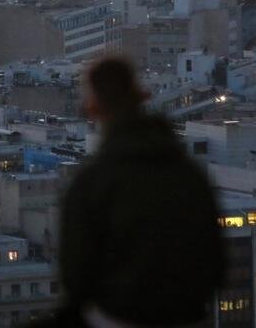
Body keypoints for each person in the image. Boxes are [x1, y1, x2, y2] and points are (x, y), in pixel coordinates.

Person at [33, 56, 225, 327]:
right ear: (141, 96)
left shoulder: (93, 182)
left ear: (93, 107)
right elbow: (215, 264)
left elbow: (76, 279)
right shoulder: (189, 175)